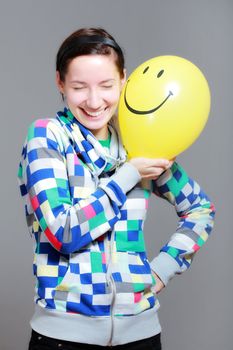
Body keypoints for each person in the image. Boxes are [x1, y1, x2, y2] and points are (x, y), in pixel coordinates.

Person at [18, 27, 215, 350]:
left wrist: (161, 271)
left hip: (141, 336)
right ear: (60, 83)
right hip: (63, 338)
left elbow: (200, 210)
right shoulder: (46, 137)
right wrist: (127, 176)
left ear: (124, 80)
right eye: (79, 87)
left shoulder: (139, 140)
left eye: (107, 86)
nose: (95, 102)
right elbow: (63, 232)